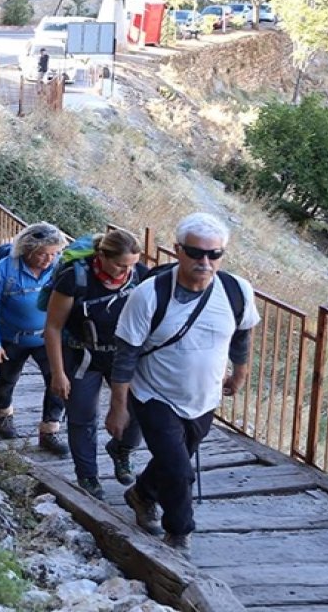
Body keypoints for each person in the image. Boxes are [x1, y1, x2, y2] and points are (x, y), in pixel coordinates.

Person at [106, 212, 260, 557]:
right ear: (177, 250)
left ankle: (142, 493)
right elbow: (126, 354)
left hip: (203, 398)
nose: (205, 261)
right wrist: (118, 408)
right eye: (196, 253)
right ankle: (179, 534)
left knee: (169, 463)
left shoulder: (236, 291)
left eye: (214, 254)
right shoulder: (149, 295)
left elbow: (241, 333)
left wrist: (240, 372)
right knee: (179, 470)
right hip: (154, 394)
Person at [43, 229, 151, 500]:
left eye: (131, 264)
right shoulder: (75, 278)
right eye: (120, 264)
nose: (126, 271)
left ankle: (122, 450)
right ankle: (88, 475)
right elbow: (53, 327)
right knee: (82, 417)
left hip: (124, 355)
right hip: (82, 355)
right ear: (102, 256)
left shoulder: (139, 274)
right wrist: (58, 373)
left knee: (139, 409)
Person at [0, 223, 69, 455]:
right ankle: (3, 414)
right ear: (27, 250)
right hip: (13, 338)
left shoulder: (60, 268)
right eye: (42, 254)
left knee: (58, 383)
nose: (48, 259)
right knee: (7, 379)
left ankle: (49, 430)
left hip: (47, 338)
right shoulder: (3, 271)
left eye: (53, 254)